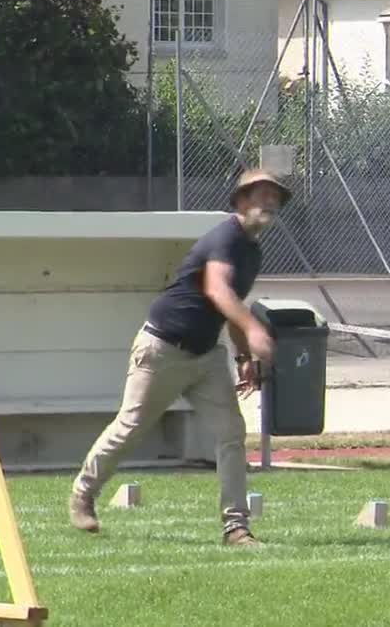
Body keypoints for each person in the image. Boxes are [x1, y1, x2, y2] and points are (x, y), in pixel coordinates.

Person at [67, 168, 291, 546]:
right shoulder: (226, 236)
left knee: (231, 434)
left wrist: (241, 357)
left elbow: (229, 306)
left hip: (205, 357)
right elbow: (218, 290)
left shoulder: (252, 251)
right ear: (239, 201)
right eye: (260, 194)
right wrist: (254, 330)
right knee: (130, 427)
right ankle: (83, 494)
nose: (268, 202)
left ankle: (236, 527)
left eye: (275, 196)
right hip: (162, 349)